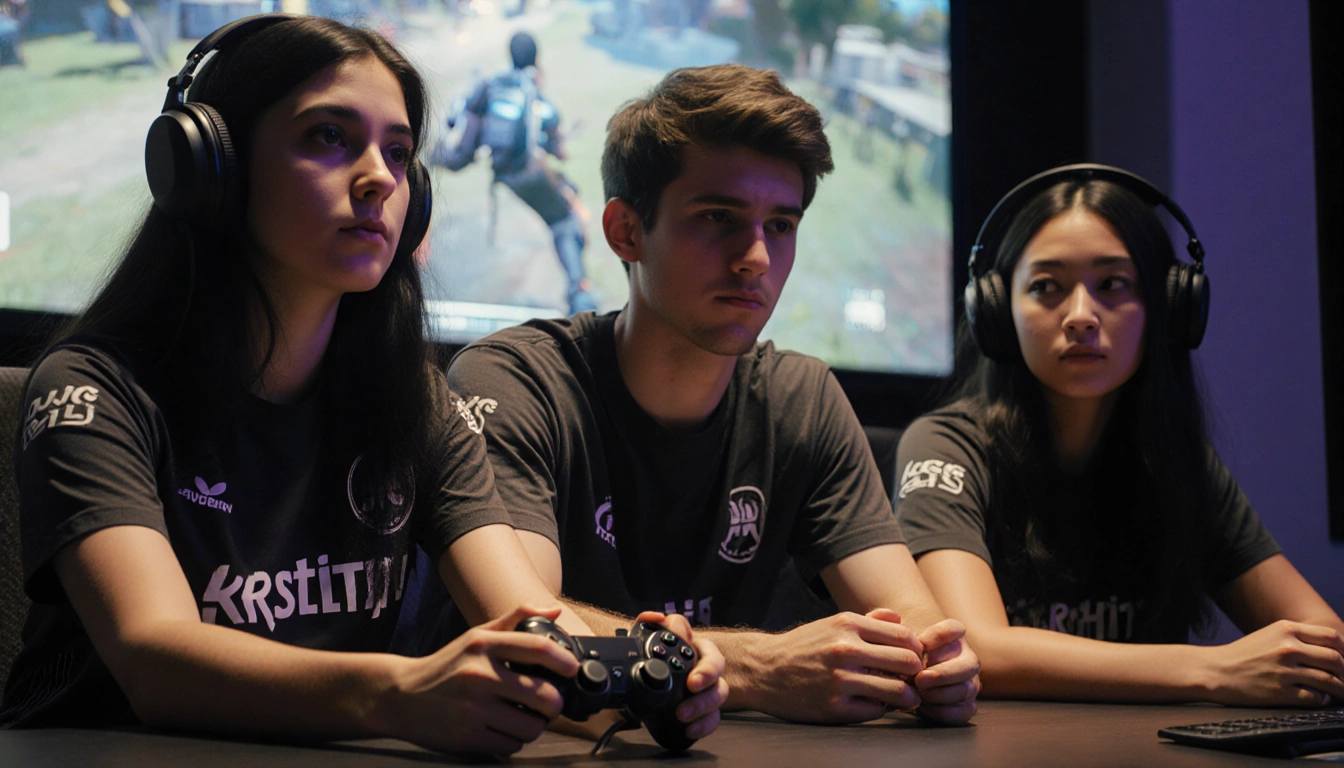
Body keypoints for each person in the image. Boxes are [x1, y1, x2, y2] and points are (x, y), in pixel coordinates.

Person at [0, 15, 724, 752]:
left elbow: (527, 614)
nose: (381, 176)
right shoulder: (95, 391)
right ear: (210, 166)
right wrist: (401, 692)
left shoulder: (412, 399)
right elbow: (155, 658)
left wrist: (639, 681)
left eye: (400, 151)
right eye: (328, 137)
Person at [437, 63, 981, 725]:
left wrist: (939, 661)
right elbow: (530, 628)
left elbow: (919, 622)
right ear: (625, 232)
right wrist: (756, 666)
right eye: (718, 217)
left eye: (780, 226)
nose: (755, 257)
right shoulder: (516, 381)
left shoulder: (800, 397)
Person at [896, 164, 1344, 705]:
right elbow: (976, 649)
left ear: (1168, 308)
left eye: (1112, 285)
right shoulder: (946, 447)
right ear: (996, 311)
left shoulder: (1179, 462)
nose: (1081, 316)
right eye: (1046, 287)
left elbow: (1324, 636)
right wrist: (1214, 669)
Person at [432, 31, 596, 315]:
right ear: (536, 57)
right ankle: (580, 297)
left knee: (569, 194)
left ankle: (579, 287)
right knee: (566, 221)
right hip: (528, 172)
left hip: (506, 175)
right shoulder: (532, 90)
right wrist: (556, 143)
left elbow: (462, 138)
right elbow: (557, 143)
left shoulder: (492, 85)